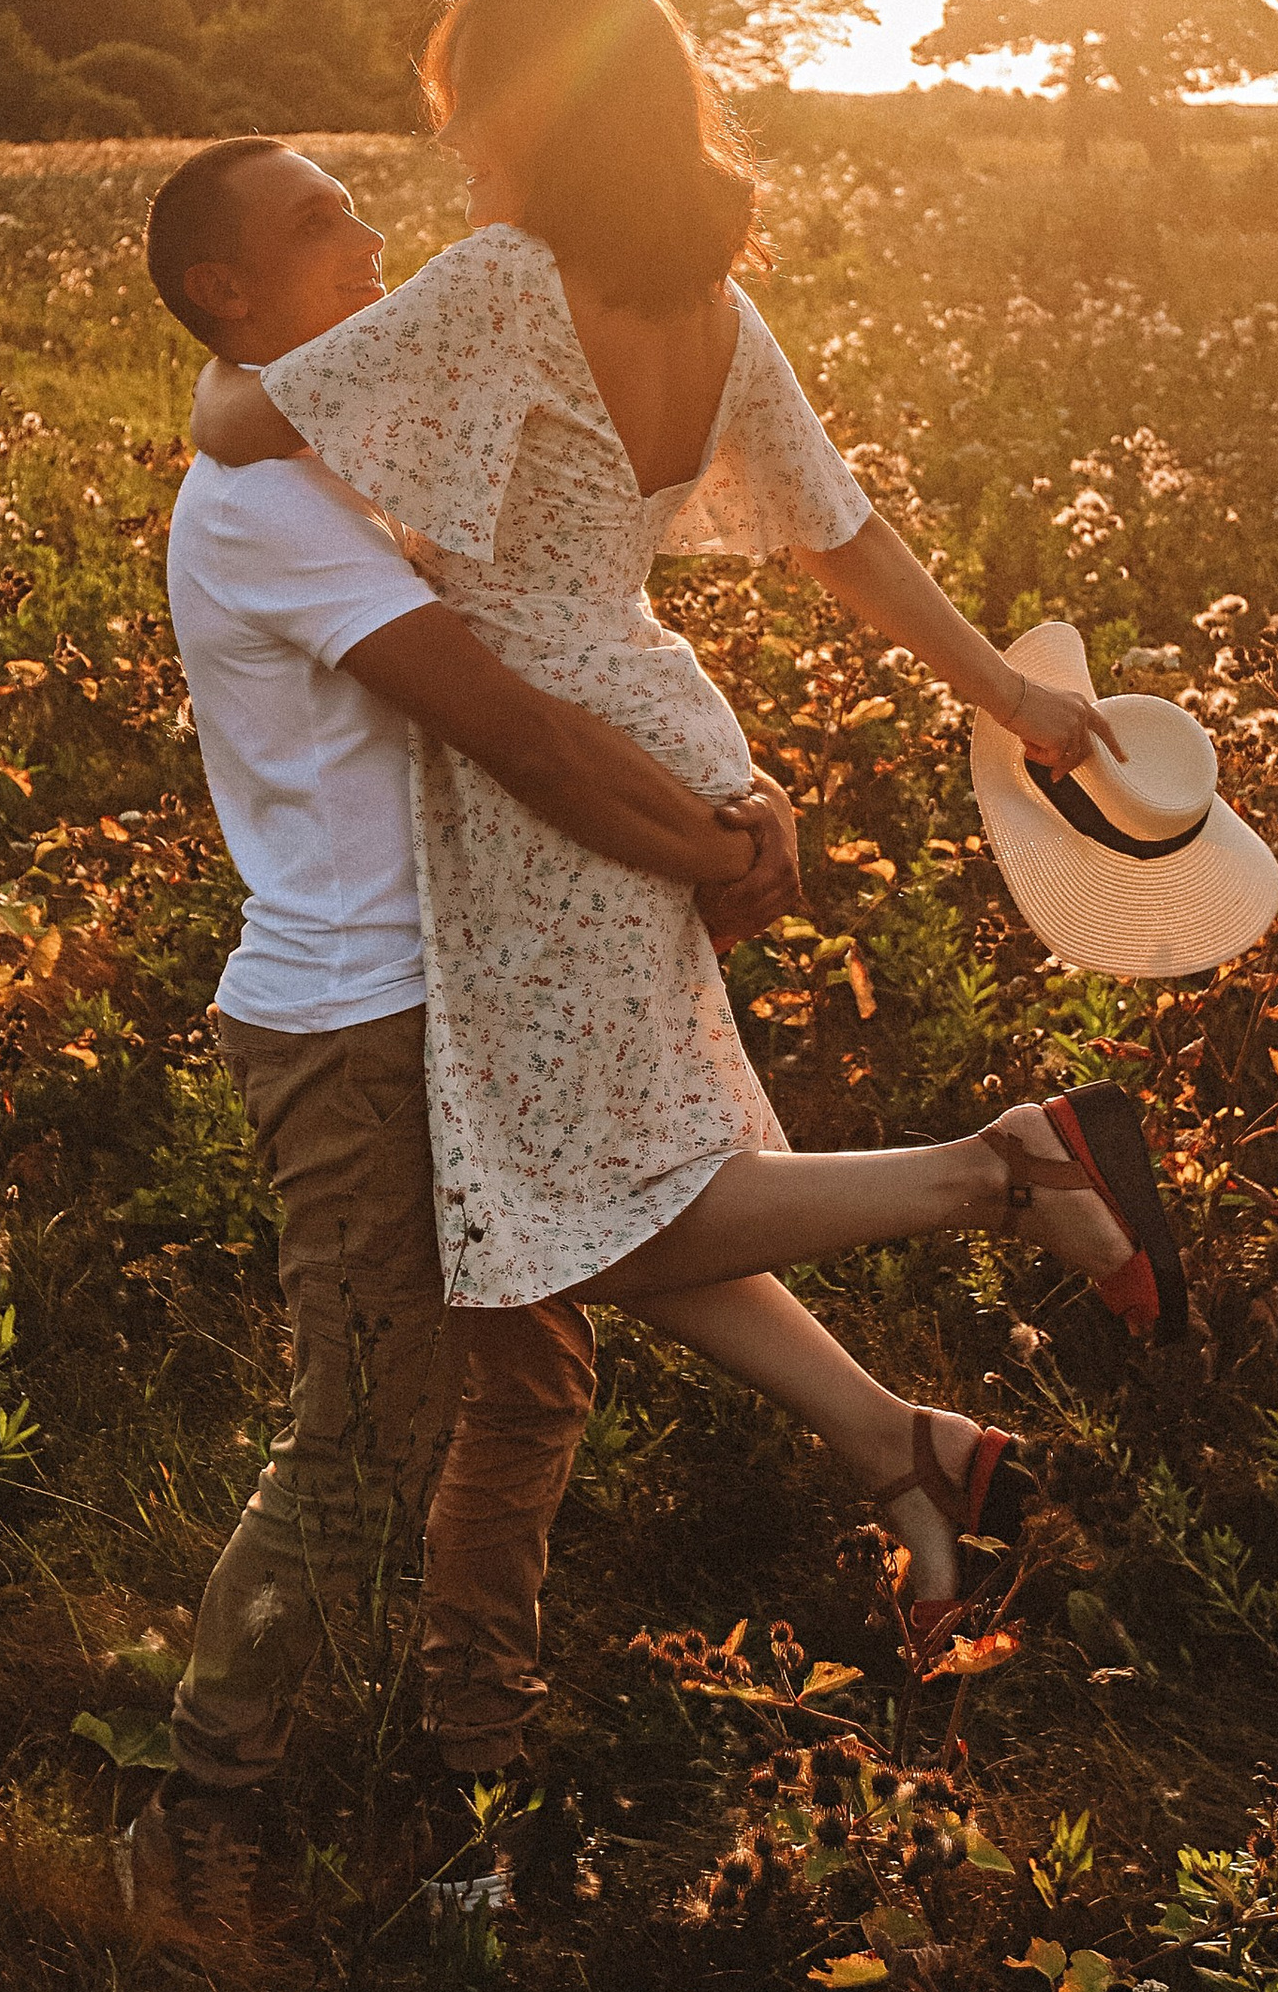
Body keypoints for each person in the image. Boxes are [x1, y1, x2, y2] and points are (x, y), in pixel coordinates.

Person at [187, 0, 1188, 1644]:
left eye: (460, 115)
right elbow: (839, 534)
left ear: (532, 108)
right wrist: (1010, 693)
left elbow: (237, 415)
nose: (453, 155)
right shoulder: (714, 304)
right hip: (662, 696)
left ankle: (1007, 1164)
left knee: (580, 1207)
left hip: (546, 753)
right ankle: (912, 1459)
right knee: (598, 1177)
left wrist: (232, 366)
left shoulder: (507, 278)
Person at [148, 133, 804, 1793]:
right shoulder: (258, 500)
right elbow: (514, 731)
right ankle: (204, 1806)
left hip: (459, 991)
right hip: (354, 1021)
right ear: (225, 294)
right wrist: (707, 845)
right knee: (360, 1443)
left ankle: (480, 1752)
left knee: (527, 1393)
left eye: (360, 205)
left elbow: (570, 636)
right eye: (318, 224)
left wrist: (730, 790)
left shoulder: (352, 450)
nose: (371, 237)